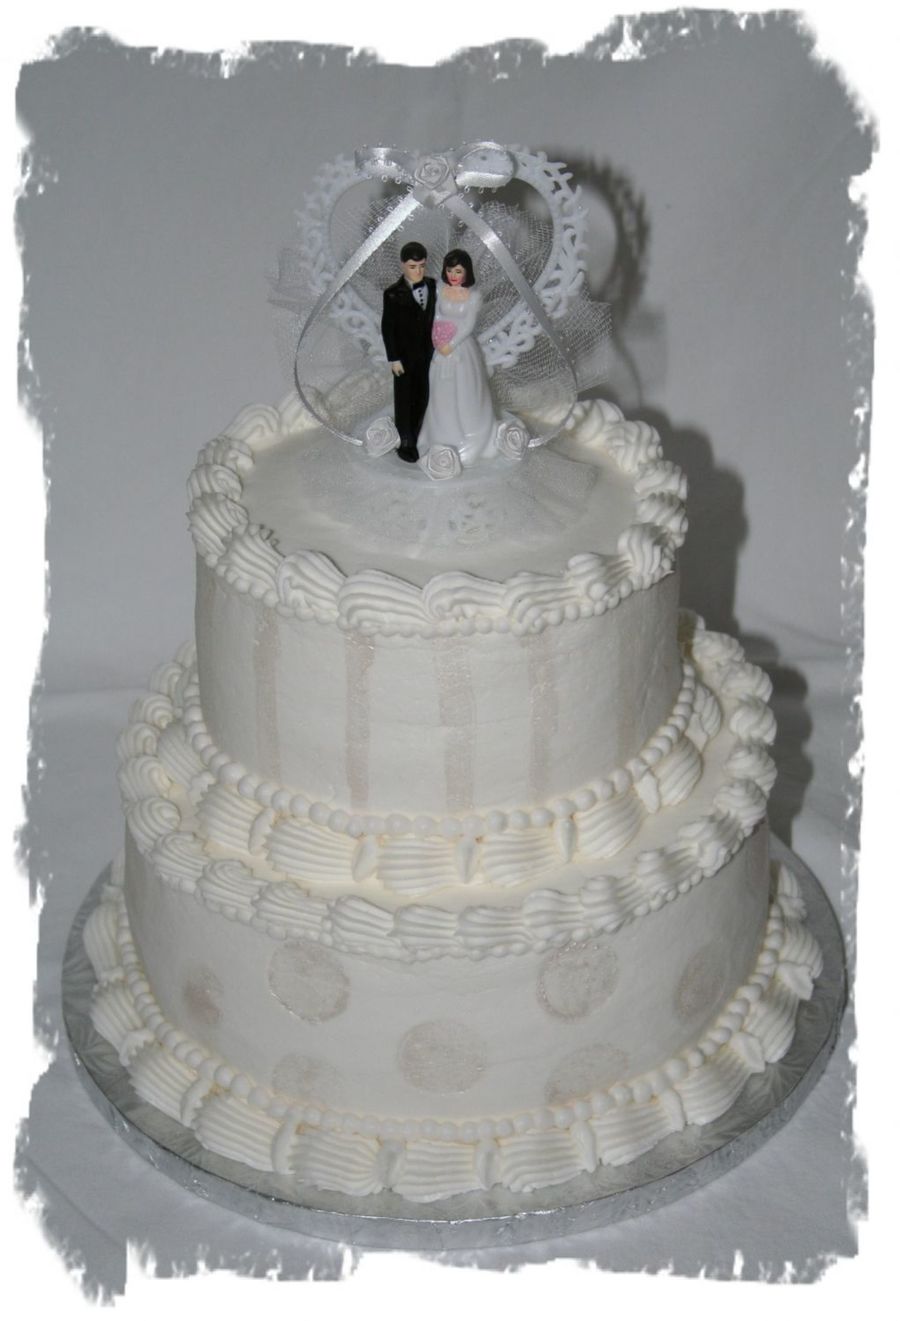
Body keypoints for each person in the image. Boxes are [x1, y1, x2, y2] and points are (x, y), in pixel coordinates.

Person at [416, 249, 499, 466]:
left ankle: (470, 433)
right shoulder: (440, 289)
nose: (453, 275)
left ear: (467, 272)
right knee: (440, 392)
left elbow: (468, 324)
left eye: (458, 271)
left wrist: (451, 344)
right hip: (440, 347)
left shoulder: (474, 297)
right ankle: (438, 434)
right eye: (450, 270)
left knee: (465, 391)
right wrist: (437, 340)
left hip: (461, 350)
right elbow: (436, 315)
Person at [380, 241, 436, 463]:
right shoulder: (393, 294)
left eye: (422, 266)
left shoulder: (432, 285)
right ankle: (406, 442)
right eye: (413, 266)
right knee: (405, 400)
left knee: (424, 396)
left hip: (428, 355)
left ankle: (422, 436)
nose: (418, 271)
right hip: (404, 358)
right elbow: (387, 328)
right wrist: (393, 358)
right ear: (403, 265)